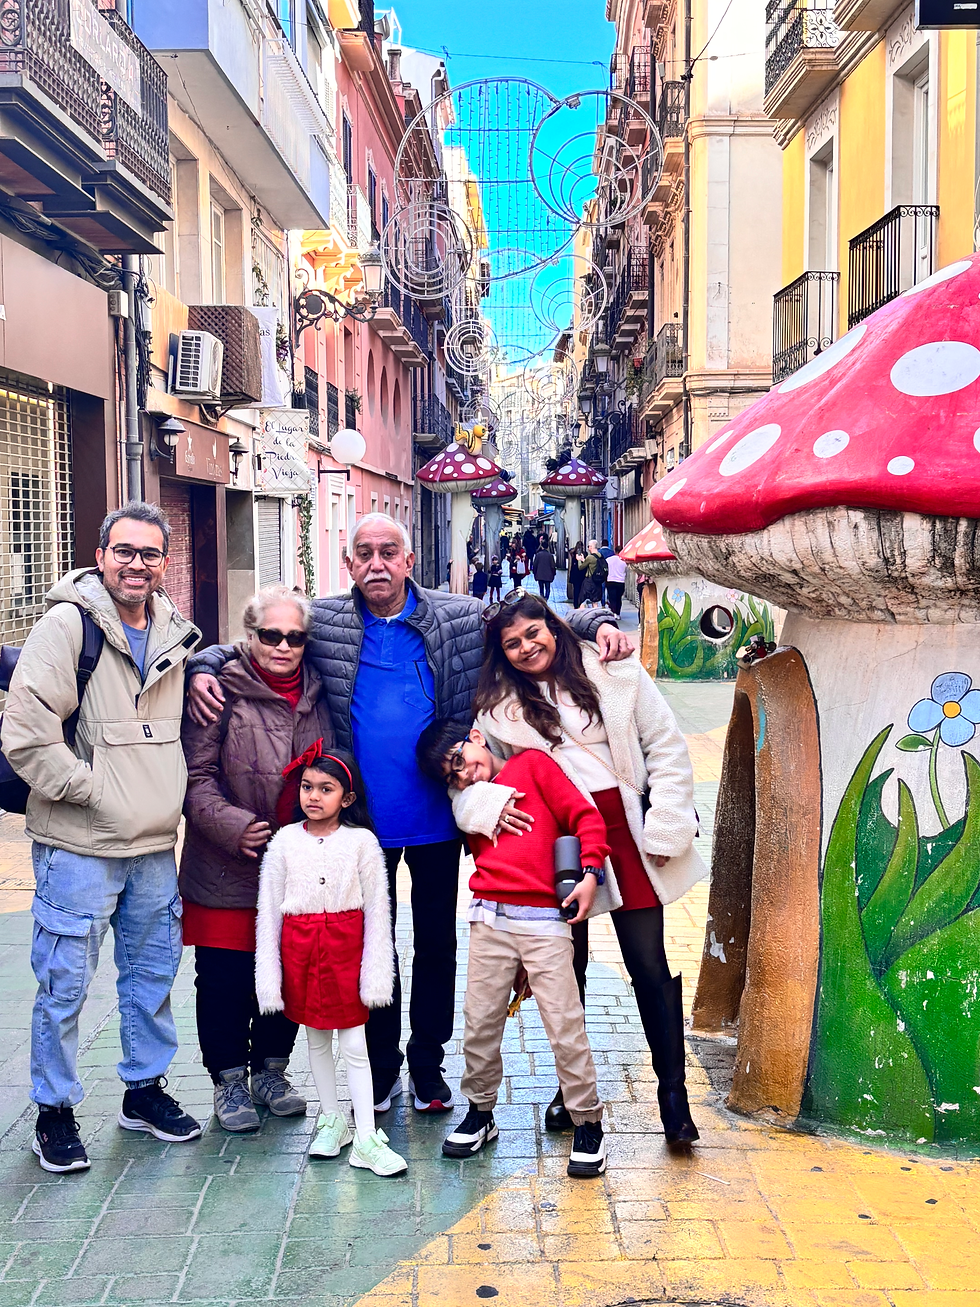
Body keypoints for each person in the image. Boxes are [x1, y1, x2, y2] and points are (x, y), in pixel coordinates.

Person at [184, 513, 629, 1117]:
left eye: (388, 551)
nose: (376, 563)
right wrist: (200, 667)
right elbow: (252, 638)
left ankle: (427, 1063)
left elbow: (537, 617)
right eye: (363, 552)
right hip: (362, 821)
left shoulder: (454, 615)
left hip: (439, 816)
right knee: (374, 944)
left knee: (438, 943)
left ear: (409, 558)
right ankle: (383, 1062)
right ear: (349, 565)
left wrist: (599, 619)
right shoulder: (327, 621)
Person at [454, 593, 706, 1147]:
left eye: (533, 633)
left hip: (629, 832)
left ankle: (673, 1096)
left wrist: (665, 825)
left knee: (648, 964)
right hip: (557, 842)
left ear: (555, 626)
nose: (525, 648)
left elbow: (664, 744)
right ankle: (574, 1093)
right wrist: (493, 808)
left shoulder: (610, 668)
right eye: (512, 643)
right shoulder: (496, 709)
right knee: (566, 971)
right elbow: (474, 779)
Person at [1, 503, 203, 1173]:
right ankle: (54, 1111)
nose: (137, 564)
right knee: (63, 986)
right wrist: (96, 793)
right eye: (125, 550)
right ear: (100, 551)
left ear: (164, 560)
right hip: (80, 846)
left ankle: (143, 1092)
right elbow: (27, 736)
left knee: (150, 980)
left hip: (152, 852)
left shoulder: (178, 632)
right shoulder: (66, 626)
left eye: (150, 553)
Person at [417, 718, 611, 1178]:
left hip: (544, 920)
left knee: (565, 1025)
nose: (463, 775)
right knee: (480, 1022)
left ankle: (587, 1123)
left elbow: (586, 818)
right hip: (489, 918)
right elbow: (476, 835)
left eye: (460, 760)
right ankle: (481, 1113)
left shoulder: (534, 766)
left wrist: (590, 874)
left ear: (478, 736)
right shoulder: (469, 806)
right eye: (451, 775)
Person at [180, 585, 335, 1132]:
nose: (283, 646)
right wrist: (235, 827)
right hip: (226, 861)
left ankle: (270, 1070)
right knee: (223, 977)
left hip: (295, 864)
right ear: (251, 636)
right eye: (271, 635)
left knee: (285, 969)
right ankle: (228, 1081)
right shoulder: (218, 690)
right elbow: (194, 778)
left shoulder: (321, 690)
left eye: (295, 637)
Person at [255, 748, 405, 1176]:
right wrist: (271, 974)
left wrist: (375, 973)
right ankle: (331, 1119)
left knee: (355, 1044)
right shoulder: (283, 841)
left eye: (326, 789)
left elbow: (379, 913)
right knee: (316, 1039)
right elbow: (269, 912)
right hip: (300, 952)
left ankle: (366, 1136)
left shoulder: (362, 843)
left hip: (345, 951)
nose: (314, 796)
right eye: (307, 787)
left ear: (348, 797)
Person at [579, 541, 608, 608]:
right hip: (598, 582)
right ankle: (595, 615)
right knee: (595, 601)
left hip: (589, 581)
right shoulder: (600, 556)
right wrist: (584, 560)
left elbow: (581, 567)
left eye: (588, 546)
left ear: (591, 547)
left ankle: (582, 616)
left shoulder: (590, 557)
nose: (588, 548)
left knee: (582, 600)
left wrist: (579, 560)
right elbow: (592, 564)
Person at [605, 549, 628, 618]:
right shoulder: (624, 561)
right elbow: (626, 570)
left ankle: (613, 611)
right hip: (620, 581)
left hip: (610, 580)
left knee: (612, 598)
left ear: (615, 551)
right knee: (618, 598)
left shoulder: (608, 560)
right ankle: (618, 613)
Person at [567, 542, 586, 608]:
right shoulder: (584, 554)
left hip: (575, 575)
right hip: (581, 575)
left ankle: (575, 604)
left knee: (576, 590)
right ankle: (579, 603)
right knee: (581, 589)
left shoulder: (573, 554)